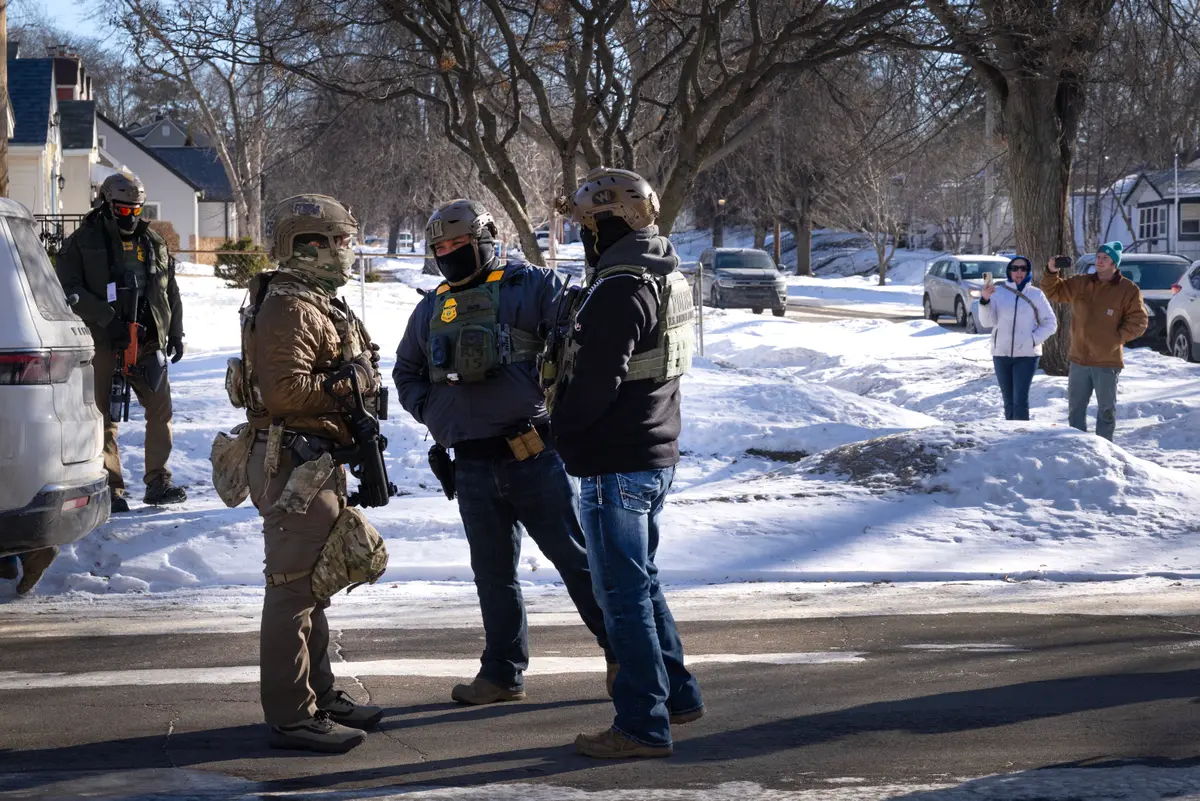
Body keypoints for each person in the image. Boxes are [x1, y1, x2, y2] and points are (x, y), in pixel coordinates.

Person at [393, 199, 615, 706]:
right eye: (440, 248)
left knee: (577, 561)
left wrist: (564, 402)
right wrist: (434, 412)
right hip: (470, 464)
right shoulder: (431, 307)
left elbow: (581, 340)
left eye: (459, 244)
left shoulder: (531, 285)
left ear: (486, 240)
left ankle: (623, 655)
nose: (449, 254)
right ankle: (501, 673)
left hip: (533, 454)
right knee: (492, 575)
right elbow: (406, 371)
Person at [551, 168, 703, 759]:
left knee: (622, 595)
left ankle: (642, 725)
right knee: (642, 582)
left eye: (586, 225)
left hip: (616, 463)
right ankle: (678, 696)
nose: (582, 236)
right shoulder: (663, 272)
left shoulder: (619, 288)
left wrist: (560, 433)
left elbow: (594, 385)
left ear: (605, 225)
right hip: (651, 454)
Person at [239, 194, 384, 752]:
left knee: (313, 588)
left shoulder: (315, 301)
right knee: (292, 591)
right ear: (308, 244)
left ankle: (318, 695)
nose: (346, 251)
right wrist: (352, 382)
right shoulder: (290, 306)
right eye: (339, 242)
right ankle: (292, 715)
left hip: (315, 462)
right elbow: (285, 392)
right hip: (293, 465)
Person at [55, 172, 187, 514]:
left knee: (160, 409)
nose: (132, 217)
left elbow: (169, 290)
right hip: (103, 341)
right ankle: (110, 488)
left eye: (137, 210)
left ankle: (158, 481)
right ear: (107, 205)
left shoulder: (153, 241)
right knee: (104, 416)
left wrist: (175, 332)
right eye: (125, 211)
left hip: (148, 341)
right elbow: (68, 288)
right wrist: (106, 318)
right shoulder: (82, 242)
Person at [1043, 242, 1147, 442]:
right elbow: (1054, 291)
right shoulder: (1081, 283)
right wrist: (1051, 271)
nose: (1099, 261)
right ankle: (1078, 445)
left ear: (1114, 263)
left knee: (1107, 410)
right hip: (1079, 359)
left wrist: (1115, 339)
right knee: (1075, 409)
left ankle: (1105, 448)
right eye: (1098, 257)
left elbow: (1139, 321)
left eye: (1105, 258)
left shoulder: (1128, 290)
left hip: (1106, 361)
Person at [978, 256, 1057, 421]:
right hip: (1001, 354)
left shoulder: (1036, 294)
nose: (1019, 272)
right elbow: (987, 322)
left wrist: (1033, 340)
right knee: (1008, 401)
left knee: (1019, 400)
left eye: (1023, 269)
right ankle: (1010, 432)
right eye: (1015, 268)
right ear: (1009, 271)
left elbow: (1051, 323)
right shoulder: (997, 292)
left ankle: (1021, 433)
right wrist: (985, 300)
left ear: (1028, 272)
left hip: (1027, 355)